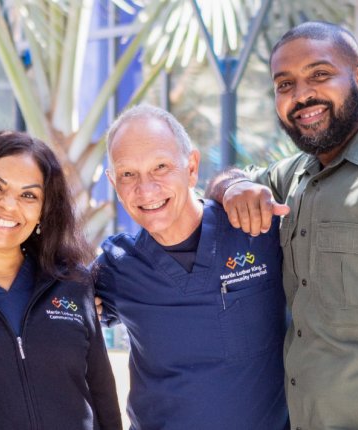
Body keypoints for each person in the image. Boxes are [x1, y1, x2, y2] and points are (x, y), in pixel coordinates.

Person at [207, 21, 358, 429]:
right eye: (284, 84)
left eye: (319, 75)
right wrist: (235, 187)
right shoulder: (295, 177)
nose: (302, 96)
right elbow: (222, 181)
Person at [93, 104, 289, 430]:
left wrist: (232, 182)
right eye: (128, 174)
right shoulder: (117, 267)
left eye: (161, 166)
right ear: (114, 183)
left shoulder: (256, 230)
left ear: (192, 167)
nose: (146, 188)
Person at [0, 131, 122, 430]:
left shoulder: (74, 284)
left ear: (43, 212)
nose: (8, 205)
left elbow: (102, 397)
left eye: (28, 195)